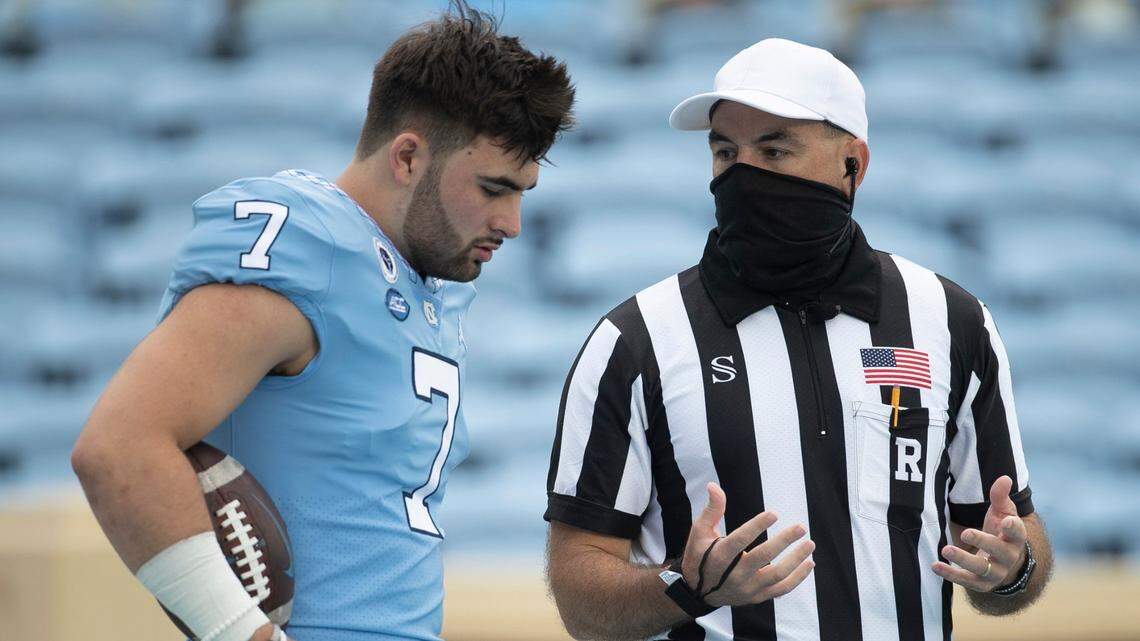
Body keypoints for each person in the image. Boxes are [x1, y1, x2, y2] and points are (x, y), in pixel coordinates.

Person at [70, 4, 575, 641]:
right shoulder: (305, 245)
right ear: (409, 158)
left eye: (522, 192)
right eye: (494, 188)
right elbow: (118, 449)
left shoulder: (430, 278)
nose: (512, 223)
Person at [544, 38, 1050, 641]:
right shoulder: (635, 340)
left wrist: (1012, 572)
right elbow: (580, 599)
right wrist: (688, 585)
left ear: (853, 164)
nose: (745, 174)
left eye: (775, 149)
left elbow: (1012, 543)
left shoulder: (950, 320)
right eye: (726, 152)